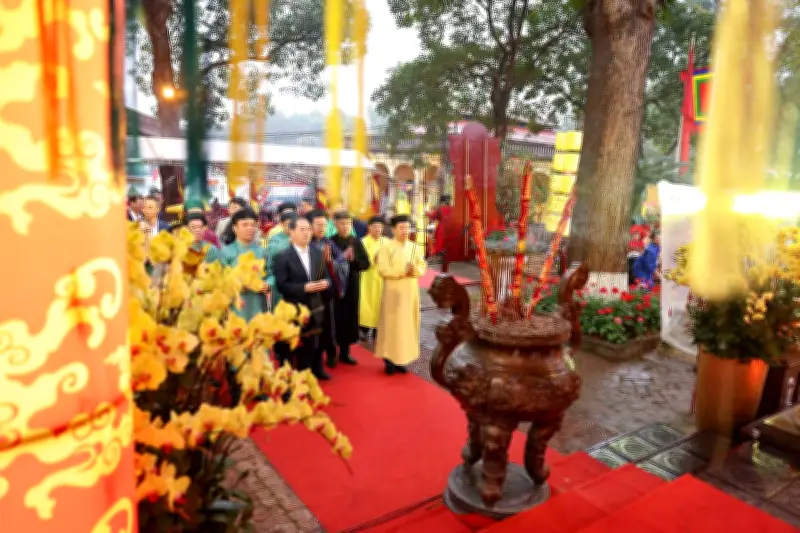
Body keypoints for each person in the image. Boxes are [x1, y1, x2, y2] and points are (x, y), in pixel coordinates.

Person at [274, 217, 333, 377]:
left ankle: (314, 370)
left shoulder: (317, 253)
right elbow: (282, 285)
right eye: (302, 230)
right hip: (293, 307)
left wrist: (326, 283)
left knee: (315, 340)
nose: (307, 233)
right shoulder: (282, 256)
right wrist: (303, 288)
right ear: (291, 232)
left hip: (315, 304)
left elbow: (326, 276)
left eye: (308, 229)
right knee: (293, 344)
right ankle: (290, 375)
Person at [374, 214, 427, 375]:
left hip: (410, 294)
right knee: (392, 326)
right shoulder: (386, 248)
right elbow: (383, 270)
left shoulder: (415, 247)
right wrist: (403, 271)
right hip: (393, 294)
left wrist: (414, 270)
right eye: (401, 228)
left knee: (407, 327)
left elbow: (422, 267)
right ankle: (389, 360)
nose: (405, 231)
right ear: (393, 230)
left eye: (407, 228)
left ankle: (402, 359)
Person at [206, 208, 269, 321]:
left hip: (258, 303)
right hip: (235, 305)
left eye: (253, 225)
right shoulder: (226, 252)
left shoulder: (262, 251)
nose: (250, 228)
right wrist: (242, 284)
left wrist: (268, 284)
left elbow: (271, 274)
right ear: (235, 228)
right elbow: (220, 279)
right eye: (245, 225)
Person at [308, 209, 349, 378]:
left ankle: (331, 353)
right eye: (318, 225)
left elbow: (342, 262)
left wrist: (330, 261)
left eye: (324, 225)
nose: (322, 228)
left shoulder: (328, 243)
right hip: (310, 294)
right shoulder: (305, 244)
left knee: (328, 325)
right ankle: (310, 362)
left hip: (327, 292)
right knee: (312, 328)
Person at [328, 211, 370, 367]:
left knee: (350, 318)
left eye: (348, 223)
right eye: (342, 223)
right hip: (335, 287)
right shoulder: (330, 242)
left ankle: (345, 352)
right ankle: (332, 353)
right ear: (335, 224)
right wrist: (338, 261)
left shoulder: (356, 242)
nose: (345, 226)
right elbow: (325, 265)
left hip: (352, 285)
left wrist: (354, 260)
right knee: (334, 318)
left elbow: (366, 264)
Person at [359, 216, 386, 343]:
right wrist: (372, 260)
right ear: (369, 227)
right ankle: (363, 329)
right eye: (375, 226)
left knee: (381, 305)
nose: (378, 229)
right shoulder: (363, 242)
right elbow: (360, 261)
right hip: (367, 278)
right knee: (366, 304)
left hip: (383, 278)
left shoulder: (387, 242)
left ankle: (378, 330)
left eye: (380, 227)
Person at [266, 211, 298, 307]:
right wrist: (289, 243)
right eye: (288, 224)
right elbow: (272, 252)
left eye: (293, 224)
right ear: (282, 224)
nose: (291, 227)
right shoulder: (275, 238)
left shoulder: (299, 236)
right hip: (280, 277)